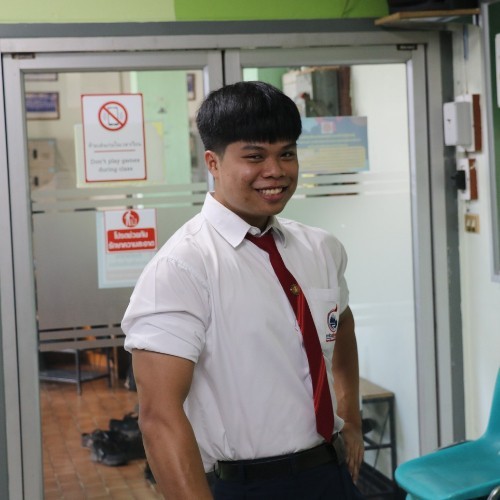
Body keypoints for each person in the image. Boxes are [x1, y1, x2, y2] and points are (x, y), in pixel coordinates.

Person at [122, 81, 364, 499]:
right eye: (254, 156)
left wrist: (351, 416)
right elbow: (159, 417)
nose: (276, 170)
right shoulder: (181, 268)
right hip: (247, 485)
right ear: (213, 162)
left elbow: (341, 326)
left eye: (286, 153)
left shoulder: (320, 248)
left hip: (331, 473)